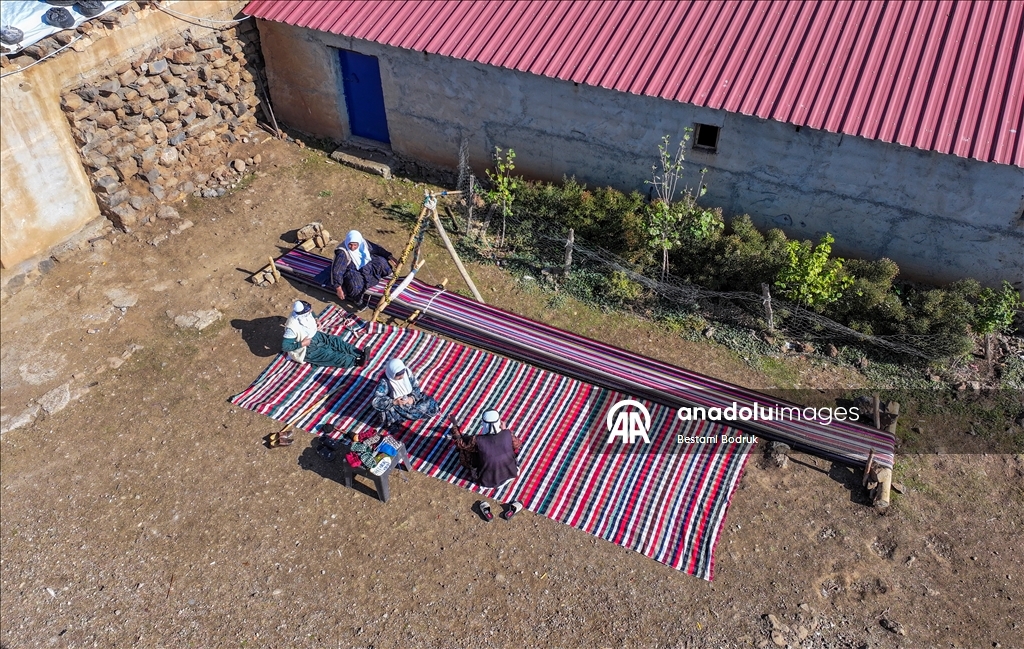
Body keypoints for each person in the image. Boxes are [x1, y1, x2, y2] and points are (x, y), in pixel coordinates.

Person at [448, 410, 523, 489]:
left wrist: (454, 423)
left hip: (487, 481)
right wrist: (505, 430)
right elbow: (517, 445)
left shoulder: (477, 440)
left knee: (465, 449)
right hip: (511, 472)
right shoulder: (507, 433)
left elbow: (460, 443)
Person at [281, 300, 366, 368]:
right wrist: (302, 343)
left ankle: (359, 353)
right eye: (309, 310)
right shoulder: (291, 328)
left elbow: (312, 312)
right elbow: (285, 346)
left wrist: (316, 319)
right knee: (329, 355)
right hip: (306, 349)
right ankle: (355, 362)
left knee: (335, 341)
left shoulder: (304, 313)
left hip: (315, 335)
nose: (311, 310)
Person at [331, 230, 398, 303]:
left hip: (367, 265)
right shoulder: (342, 252)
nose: (352, 248)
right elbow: (337, 271)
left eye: (355, 245)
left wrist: (390, 257)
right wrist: (338, 288)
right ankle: (357, 299)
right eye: (350, 245)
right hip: (353, 271)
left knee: (381, 261)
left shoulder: (363, 243)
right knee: (355, 285)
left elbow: (377, 249)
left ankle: (388, 278)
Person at [371, 358, 440, 428]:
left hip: (409, 399)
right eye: (398, 374)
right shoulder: (384, 382)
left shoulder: (407, 372)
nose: (401, 376)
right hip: (396, 405)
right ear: (392, 373)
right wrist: (394, 402)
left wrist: (412, 398)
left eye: (402, 373)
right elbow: (376, 402)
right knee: (396, 414)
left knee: (430, 404)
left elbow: (415, 387)